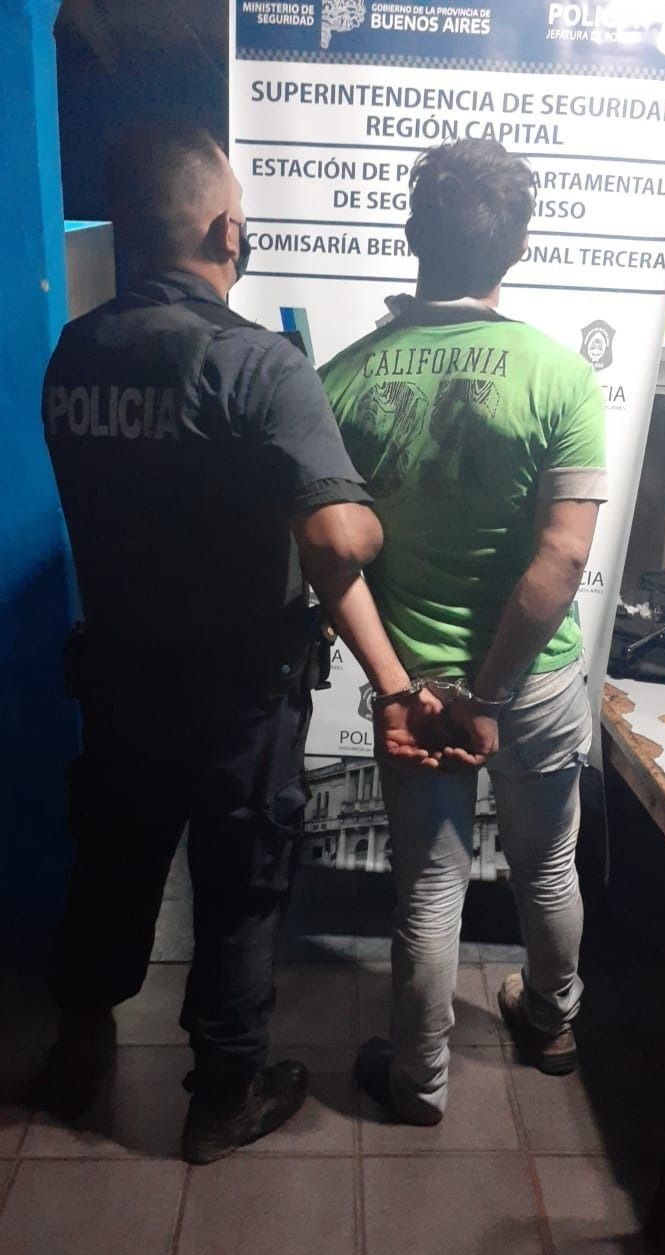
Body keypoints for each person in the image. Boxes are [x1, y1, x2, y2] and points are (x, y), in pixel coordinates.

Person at [38, 123, 438, 1163]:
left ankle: (78, 1048)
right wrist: (369, 515)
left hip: (118, 679)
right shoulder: (257, 363)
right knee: (239, 888)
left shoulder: (77, 351)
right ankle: (224, 1092)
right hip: (236, 697)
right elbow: (339, 538)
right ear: (227, 230)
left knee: (112, 864)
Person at [320, 139, 607, 1124]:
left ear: (412, 234)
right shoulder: (560, 375)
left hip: (416, 688)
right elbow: (562, 557)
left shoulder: (340, 380)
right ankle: (552, 1024)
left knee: (429, 888)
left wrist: (403, 690)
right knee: (548, 865)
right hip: (531, 682)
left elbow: (330, 557)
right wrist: (490, 696)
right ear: (517, 246)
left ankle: (419, 1081)